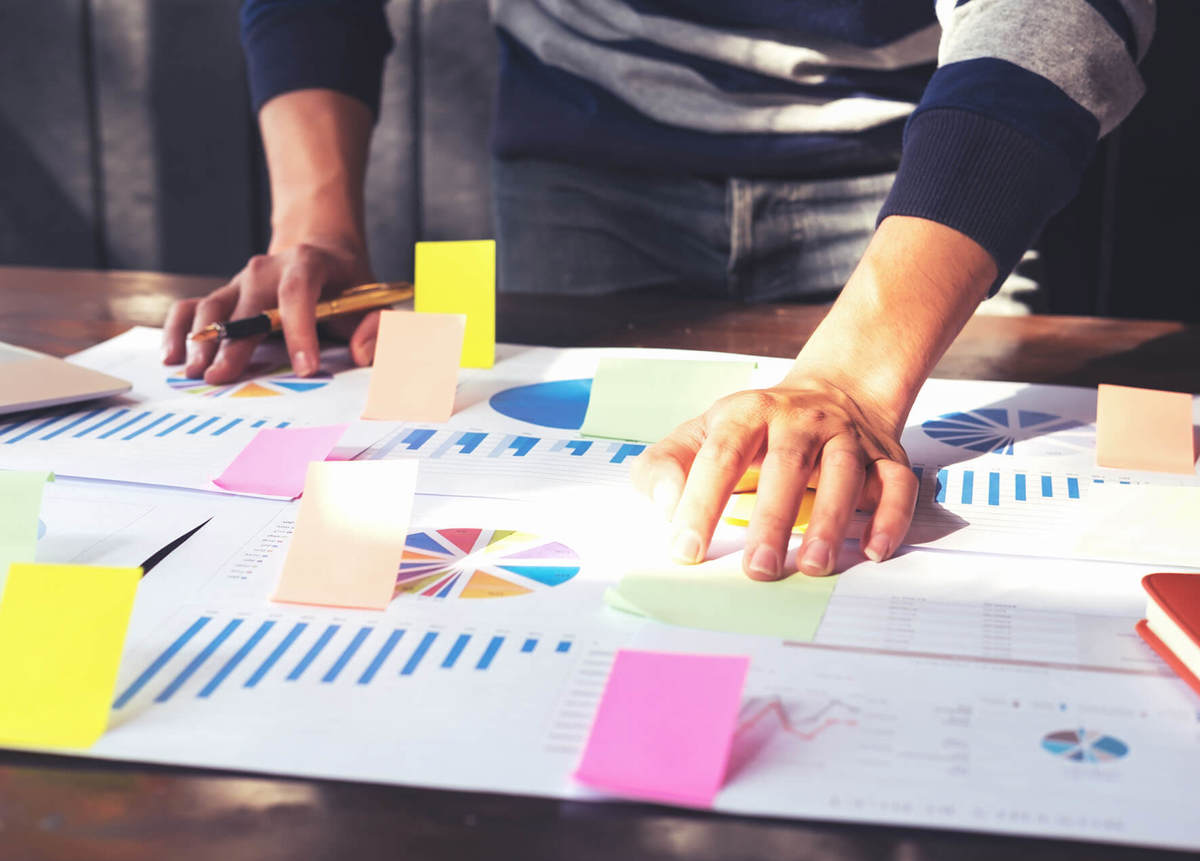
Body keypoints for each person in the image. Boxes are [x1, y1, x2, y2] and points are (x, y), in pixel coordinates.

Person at [162, 0, 1155, 582]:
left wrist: (854, 374)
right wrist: (314, 228)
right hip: (583, 148)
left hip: (934, 158)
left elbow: (1053, 19)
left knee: (940, 546)